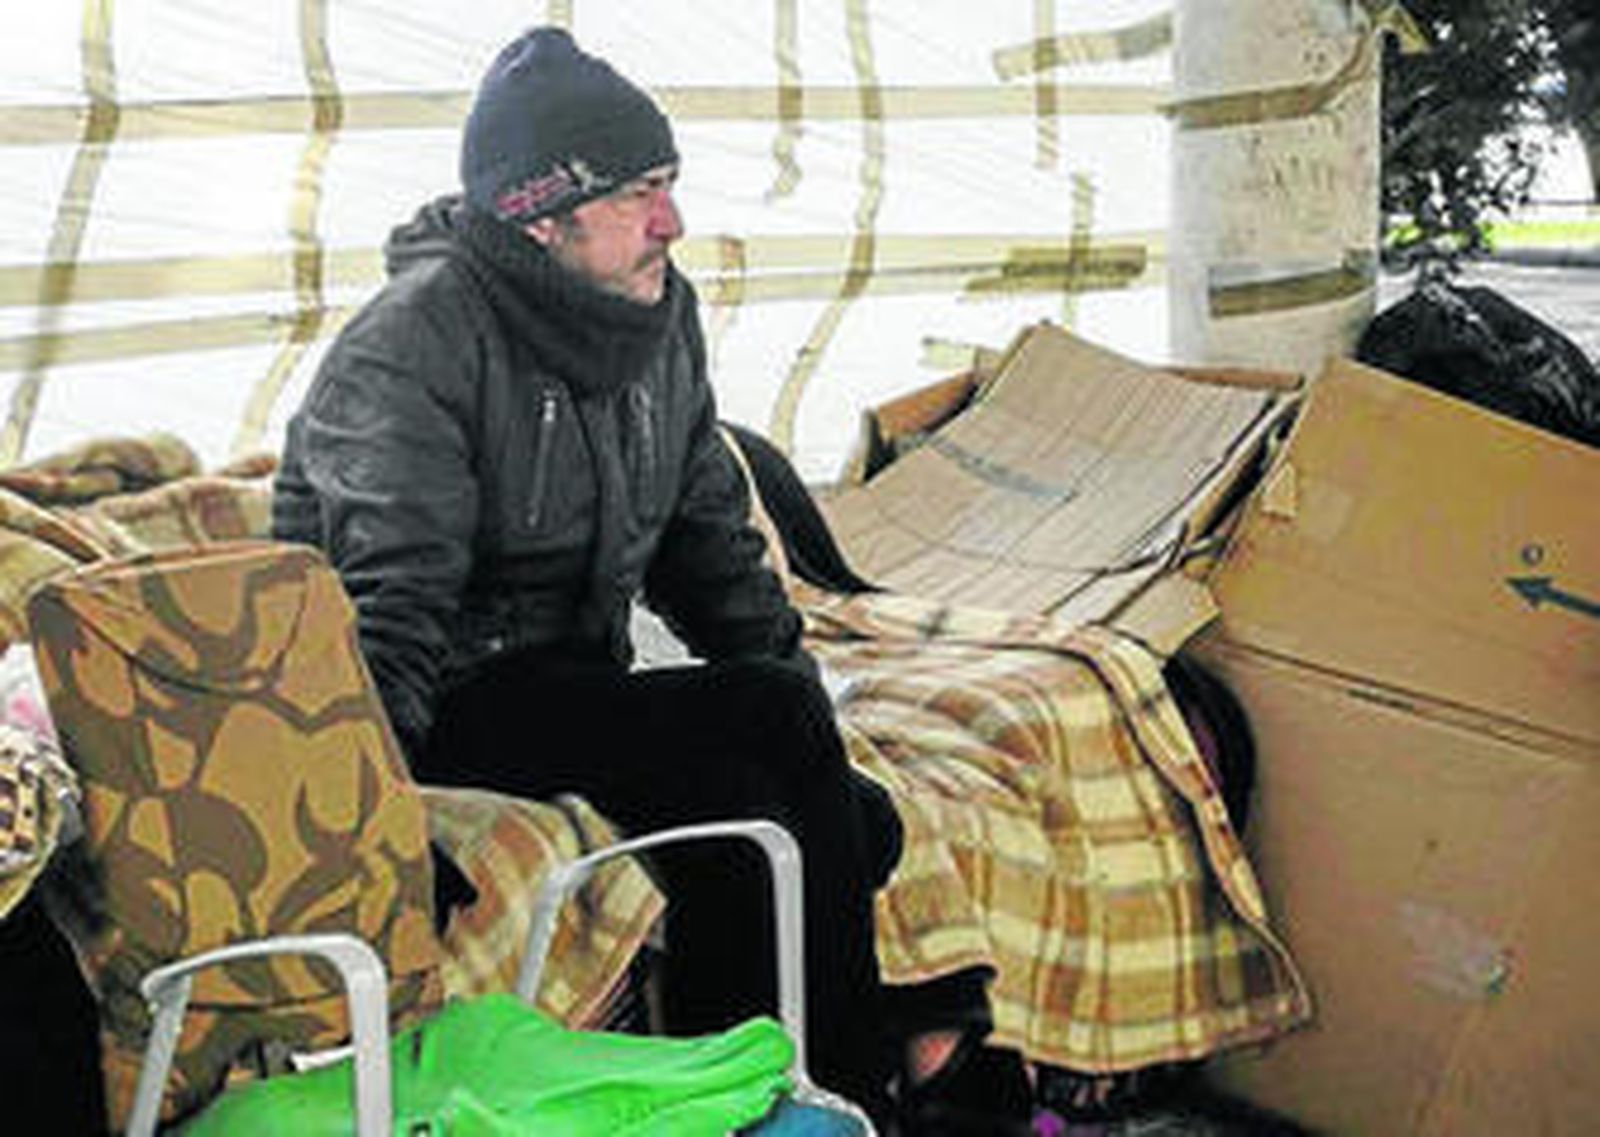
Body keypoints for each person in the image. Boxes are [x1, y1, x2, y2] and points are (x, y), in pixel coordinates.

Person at [271, 25, 904, 1118]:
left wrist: (801, 726)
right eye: (638, 193)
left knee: (754, 805)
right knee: (792, 752)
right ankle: (858, 1089)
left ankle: (726, 1100)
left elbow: (708, 534)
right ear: (541, 214)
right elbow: (390, 605)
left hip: (576, 678)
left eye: (670, 184)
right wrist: (380, 826)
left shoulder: (658, 319)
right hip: (445, 695)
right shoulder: (412, 347)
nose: (673, 222)